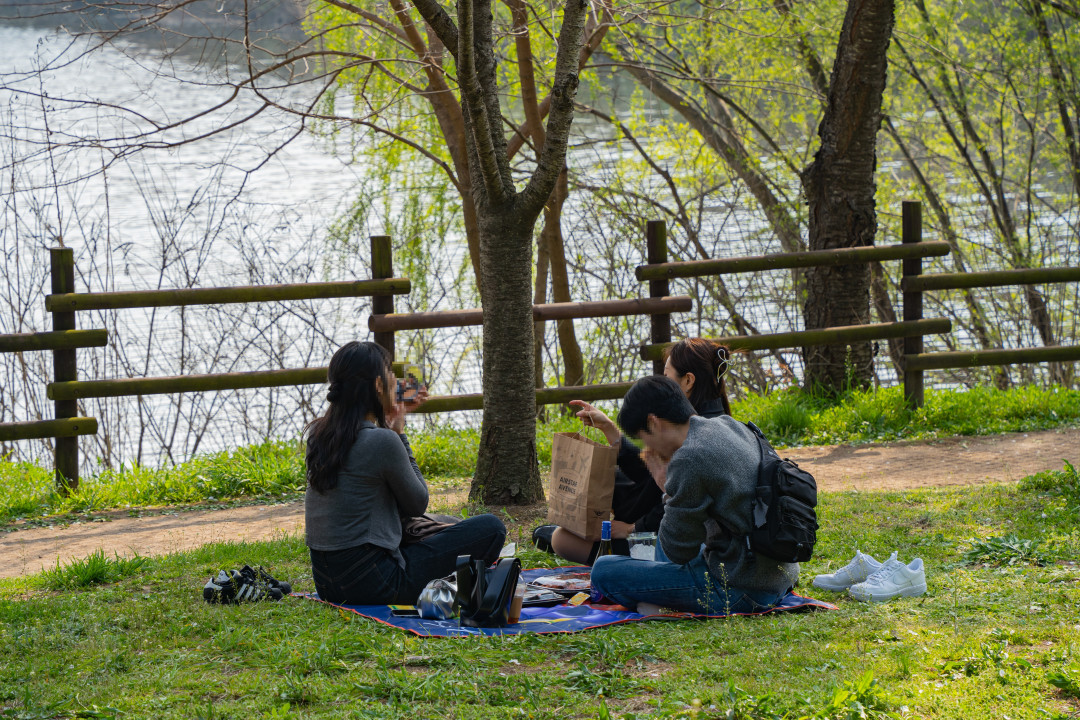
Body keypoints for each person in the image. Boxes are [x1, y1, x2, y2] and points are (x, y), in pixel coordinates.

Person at [304, 341, 506, 605]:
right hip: (376, 582)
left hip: (327, 583)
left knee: (448, 521)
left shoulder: (318, 435)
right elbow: (418, 503)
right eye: (390, 373)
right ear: (378, 384)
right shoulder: (383, 441)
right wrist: (399, 434)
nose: (396, 381)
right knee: (491, 528)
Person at [590, 375, 799, 614]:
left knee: (604, 570)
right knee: (666, 542)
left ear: (653, 423)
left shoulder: (689, 458)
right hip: (781, 575)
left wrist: (666, 489)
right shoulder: (730, 425)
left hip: (741, 589)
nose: (647, 448)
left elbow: (677, 551)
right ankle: (661, 601)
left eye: (643, 438)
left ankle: (663, 603)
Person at [537, 338, 733, 564]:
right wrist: (610, 430)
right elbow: (653, 475)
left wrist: (632, 529)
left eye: (666, 376)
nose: (663, 382)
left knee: (563, 540)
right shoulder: (716, 426)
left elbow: (681, 513)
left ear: (688, 381)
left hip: (682, 547)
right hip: (682, 533)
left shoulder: (694, 444)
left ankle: (599, 549)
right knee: (609, 478)